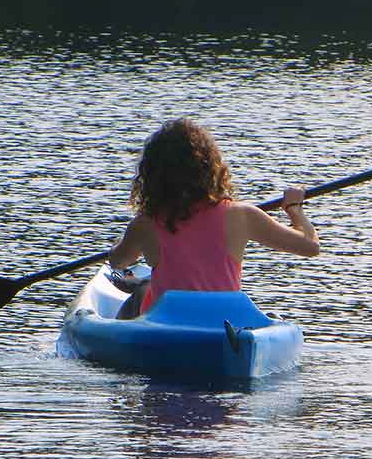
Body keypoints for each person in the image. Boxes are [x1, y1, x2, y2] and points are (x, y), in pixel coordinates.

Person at [109, 118, 320, 317]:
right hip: (223, 327)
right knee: (145, 287)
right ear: (210, 168)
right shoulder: (242, 215)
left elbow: (118, 261)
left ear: (152, 176)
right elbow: (310, 246)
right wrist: (294, 209)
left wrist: (125, 242)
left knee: (143, 290)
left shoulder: (145, 224)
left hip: (166, 327)